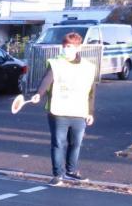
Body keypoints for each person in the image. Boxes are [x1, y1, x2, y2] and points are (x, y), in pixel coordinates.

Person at [31, 32, 97, 186]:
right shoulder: (56, 63)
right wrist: (38, 94)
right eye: (65, 46)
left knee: (76, 143)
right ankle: (58, 174)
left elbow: (91, 91)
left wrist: (90, 112)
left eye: (70, 47)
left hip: (79, 112)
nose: (66, 49)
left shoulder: (88, 67)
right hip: (58, 111)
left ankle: (71, 172)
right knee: (58, 143)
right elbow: (46, 80)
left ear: (78, 48)